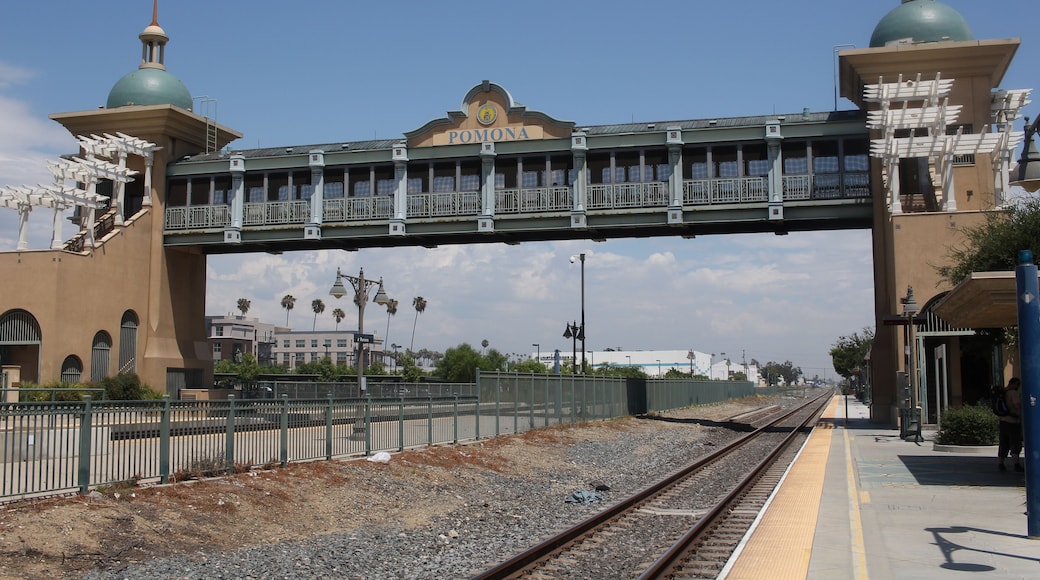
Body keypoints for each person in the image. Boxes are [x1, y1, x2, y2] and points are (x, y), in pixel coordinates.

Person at [997, 377, 1024, 472]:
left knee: (1003, 442)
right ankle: (1016, 464)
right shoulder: (1013, 393)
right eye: (1018, 384)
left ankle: (1001, 463)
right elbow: (1017, 405)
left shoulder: (1003, 392)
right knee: (1015, 443)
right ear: (1015, 384)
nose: (1018, 387)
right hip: (1012, 421)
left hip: (1002, 421)